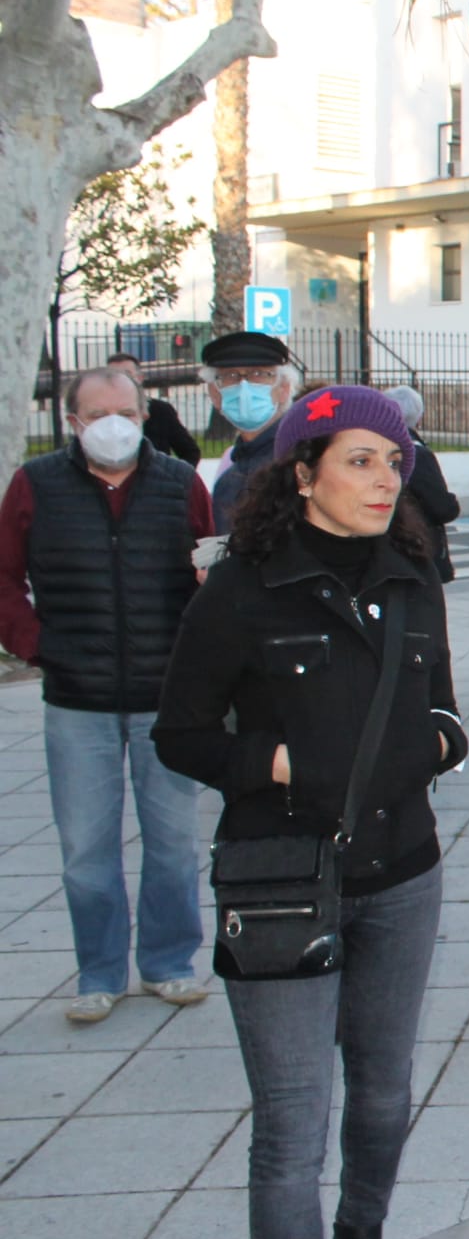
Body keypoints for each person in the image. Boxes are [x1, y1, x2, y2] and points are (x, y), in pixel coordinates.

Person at [151, 385, 468, 1239]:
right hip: (282, 877)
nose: (384, 480)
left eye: (395, 462)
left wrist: (440, 737)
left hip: (404, 871)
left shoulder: (412, 574)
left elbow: (440, 695)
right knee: (293, 1122)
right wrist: (277, 763)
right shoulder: (244, 590)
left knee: (381, 1093)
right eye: (360, 460)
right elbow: (181, 733)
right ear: (302, 474)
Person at [0, 368, 214, 1023]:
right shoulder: (34, 486)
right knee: (86, 851)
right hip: (77, 701)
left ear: (145, 414)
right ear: (72, 422)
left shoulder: (182, 485)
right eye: (97, 413)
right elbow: (4, 579)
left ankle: (169, 962)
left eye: (124, 409)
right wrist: (39, 646)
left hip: (165, 699)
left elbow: (212, 581)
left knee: (174, 843)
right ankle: (98, 971)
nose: (113, 422)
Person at [202, 333, 301, 531]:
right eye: (230, 376)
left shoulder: (301, 460)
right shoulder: (228, 479)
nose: (244, 386)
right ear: (214, 394)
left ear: (284, 388)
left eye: (259, 374)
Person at [384, 385, 461, 583]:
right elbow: (442, 507)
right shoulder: (416, 453)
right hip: (417, 545)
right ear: (418, 417)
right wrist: (452, 502)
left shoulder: (380, 447)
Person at [108, 351, 202, 465]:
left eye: (127, 374)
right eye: (114, 376)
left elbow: (190, 452)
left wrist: (175, 478)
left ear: (140, 378)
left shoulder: (161, 410)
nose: (121, 381)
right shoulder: (101, 415)